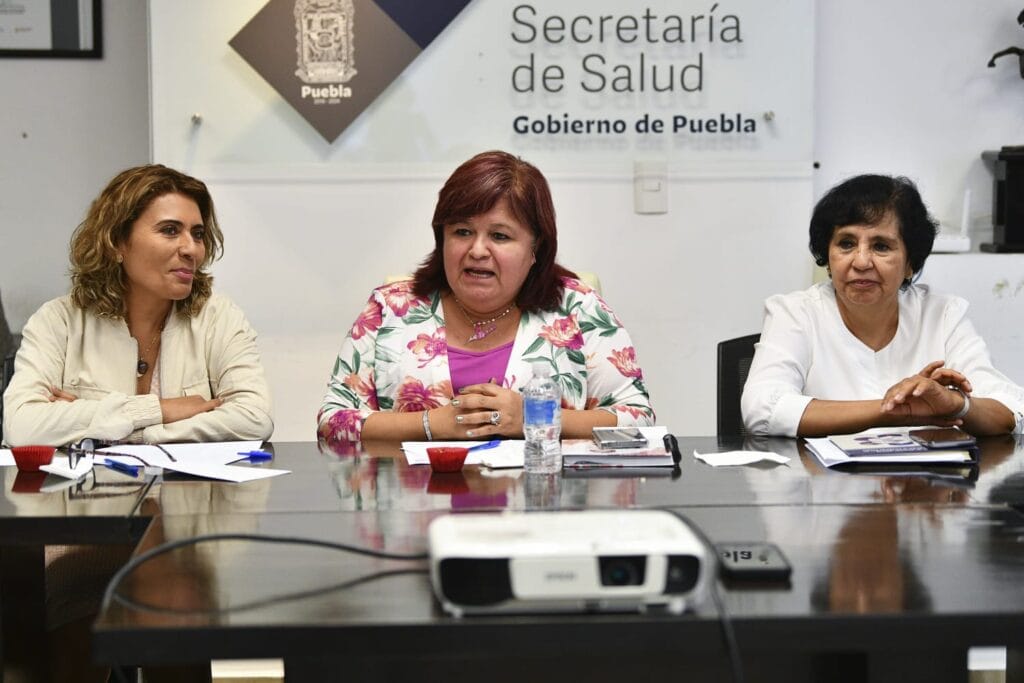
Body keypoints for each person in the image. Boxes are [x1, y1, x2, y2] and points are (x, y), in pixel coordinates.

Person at [318, 150, 654, 443]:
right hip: (414, 494)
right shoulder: (390, 308)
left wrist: (533, 416)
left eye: (500, 236)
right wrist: (431, 424)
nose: (478, 250)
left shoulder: (578, 308)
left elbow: (638, 420)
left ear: (535, 248)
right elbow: (332, 422)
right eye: (462, 232)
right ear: (442, 238)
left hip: (544, 493)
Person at [2, 164, 273, 446]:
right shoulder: (57, 321)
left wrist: (118, 431)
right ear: (117, 242)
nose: (191, 249)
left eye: (197, 234)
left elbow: (255, 418)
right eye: (170, 230)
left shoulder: (219, 317)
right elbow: (21, 427)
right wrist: (159, 410)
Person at [742, 174, 1024, 437]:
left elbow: (1012, 410)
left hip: (924, 475)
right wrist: (892, 411)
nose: (861, 261)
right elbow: (761, 408)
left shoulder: (943, 314)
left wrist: (956, 404)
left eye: (881, 247)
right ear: (827, 257)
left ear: (910, 263)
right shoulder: (795, 313)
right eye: (846, 244)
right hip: (820, 475)